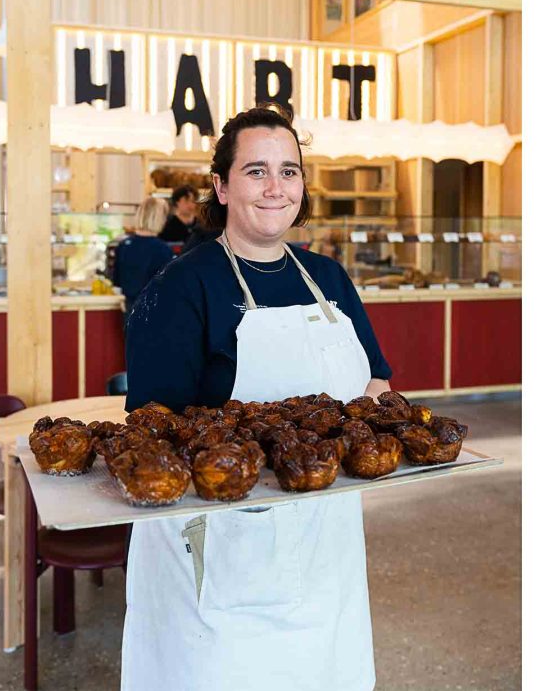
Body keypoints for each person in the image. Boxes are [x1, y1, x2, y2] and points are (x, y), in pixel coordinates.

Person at [122, 104, 392, 691]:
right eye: (256, 171)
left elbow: (376, 384)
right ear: (220, 186)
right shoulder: (181, 286)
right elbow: (149, 434)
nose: (276, 188)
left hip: (326, 538)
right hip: (223, 548)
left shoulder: (329, 277)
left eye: (289, 171)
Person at [111, 197, 174, 325]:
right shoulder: (162, 250)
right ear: (159, 218)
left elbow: (117, 282)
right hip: (155, 314)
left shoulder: (123, 246)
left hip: (128, 312)